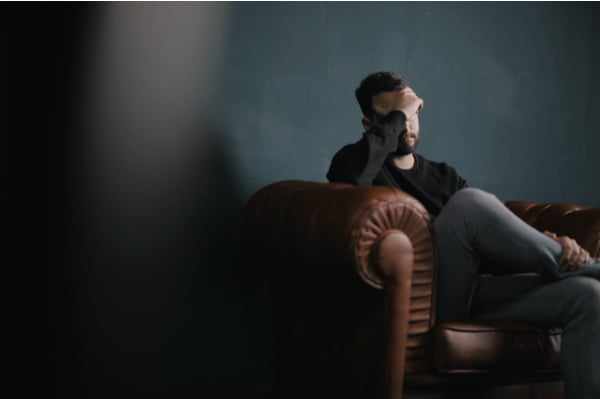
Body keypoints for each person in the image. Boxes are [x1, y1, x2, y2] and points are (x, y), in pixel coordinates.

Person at [327, 71, 600, 399]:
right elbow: (348, 179)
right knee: (468, 204)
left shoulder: (444, 176)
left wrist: (549, 240)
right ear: (371, 126)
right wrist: (401, 113)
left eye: (413, 113)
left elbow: (493, 237)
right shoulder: (357, 165)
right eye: (395, 116)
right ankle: (584, 265)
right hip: (429, 301)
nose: (407, 124)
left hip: (474, 292)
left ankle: (576, 267)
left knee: (588, 296)